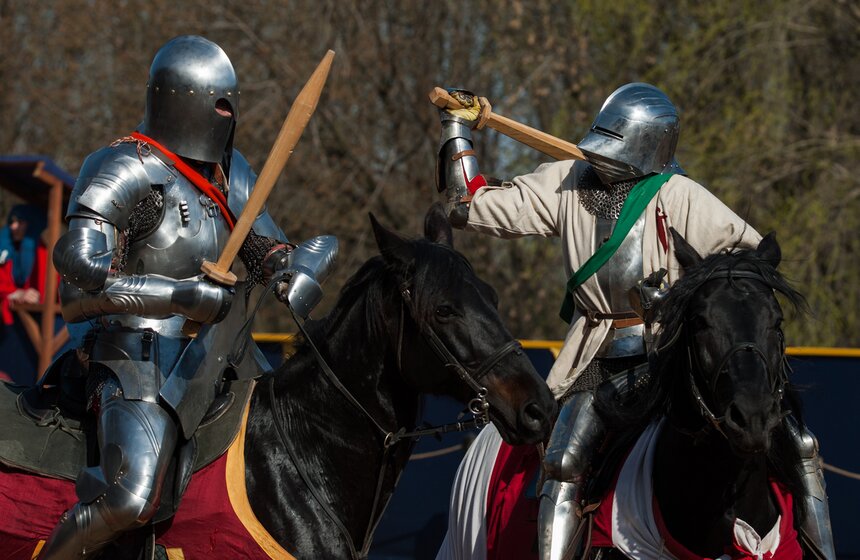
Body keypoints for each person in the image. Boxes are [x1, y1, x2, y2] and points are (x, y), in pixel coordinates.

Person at [432, 83, 834, 559]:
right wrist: (457, 125)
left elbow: (747, 267)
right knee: (564, 461)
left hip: (673, 357)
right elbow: (467, 205)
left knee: (800, 445)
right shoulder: (567, 182)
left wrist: (683, 295)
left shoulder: (680, 196)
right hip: (597, 356)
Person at [39, 35, 337, 558]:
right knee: (131, 499)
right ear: (182, 100)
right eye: (218, 104)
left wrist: (300, 267)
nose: (227, 115)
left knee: (299, 449)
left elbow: (267, 250)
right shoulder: (122, 167)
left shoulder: (231, 171)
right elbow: (77, 292)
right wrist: (177, 295)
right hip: (138, 358)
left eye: (231, 104)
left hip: (227, 354)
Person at [0, 204, 49, 323]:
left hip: (36, 323)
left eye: (20, 222)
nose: (13, 227)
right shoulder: (4, 249)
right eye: (11, 222)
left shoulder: (44, 255)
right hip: (7, 323)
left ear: (31, 224)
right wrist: (15, 293)